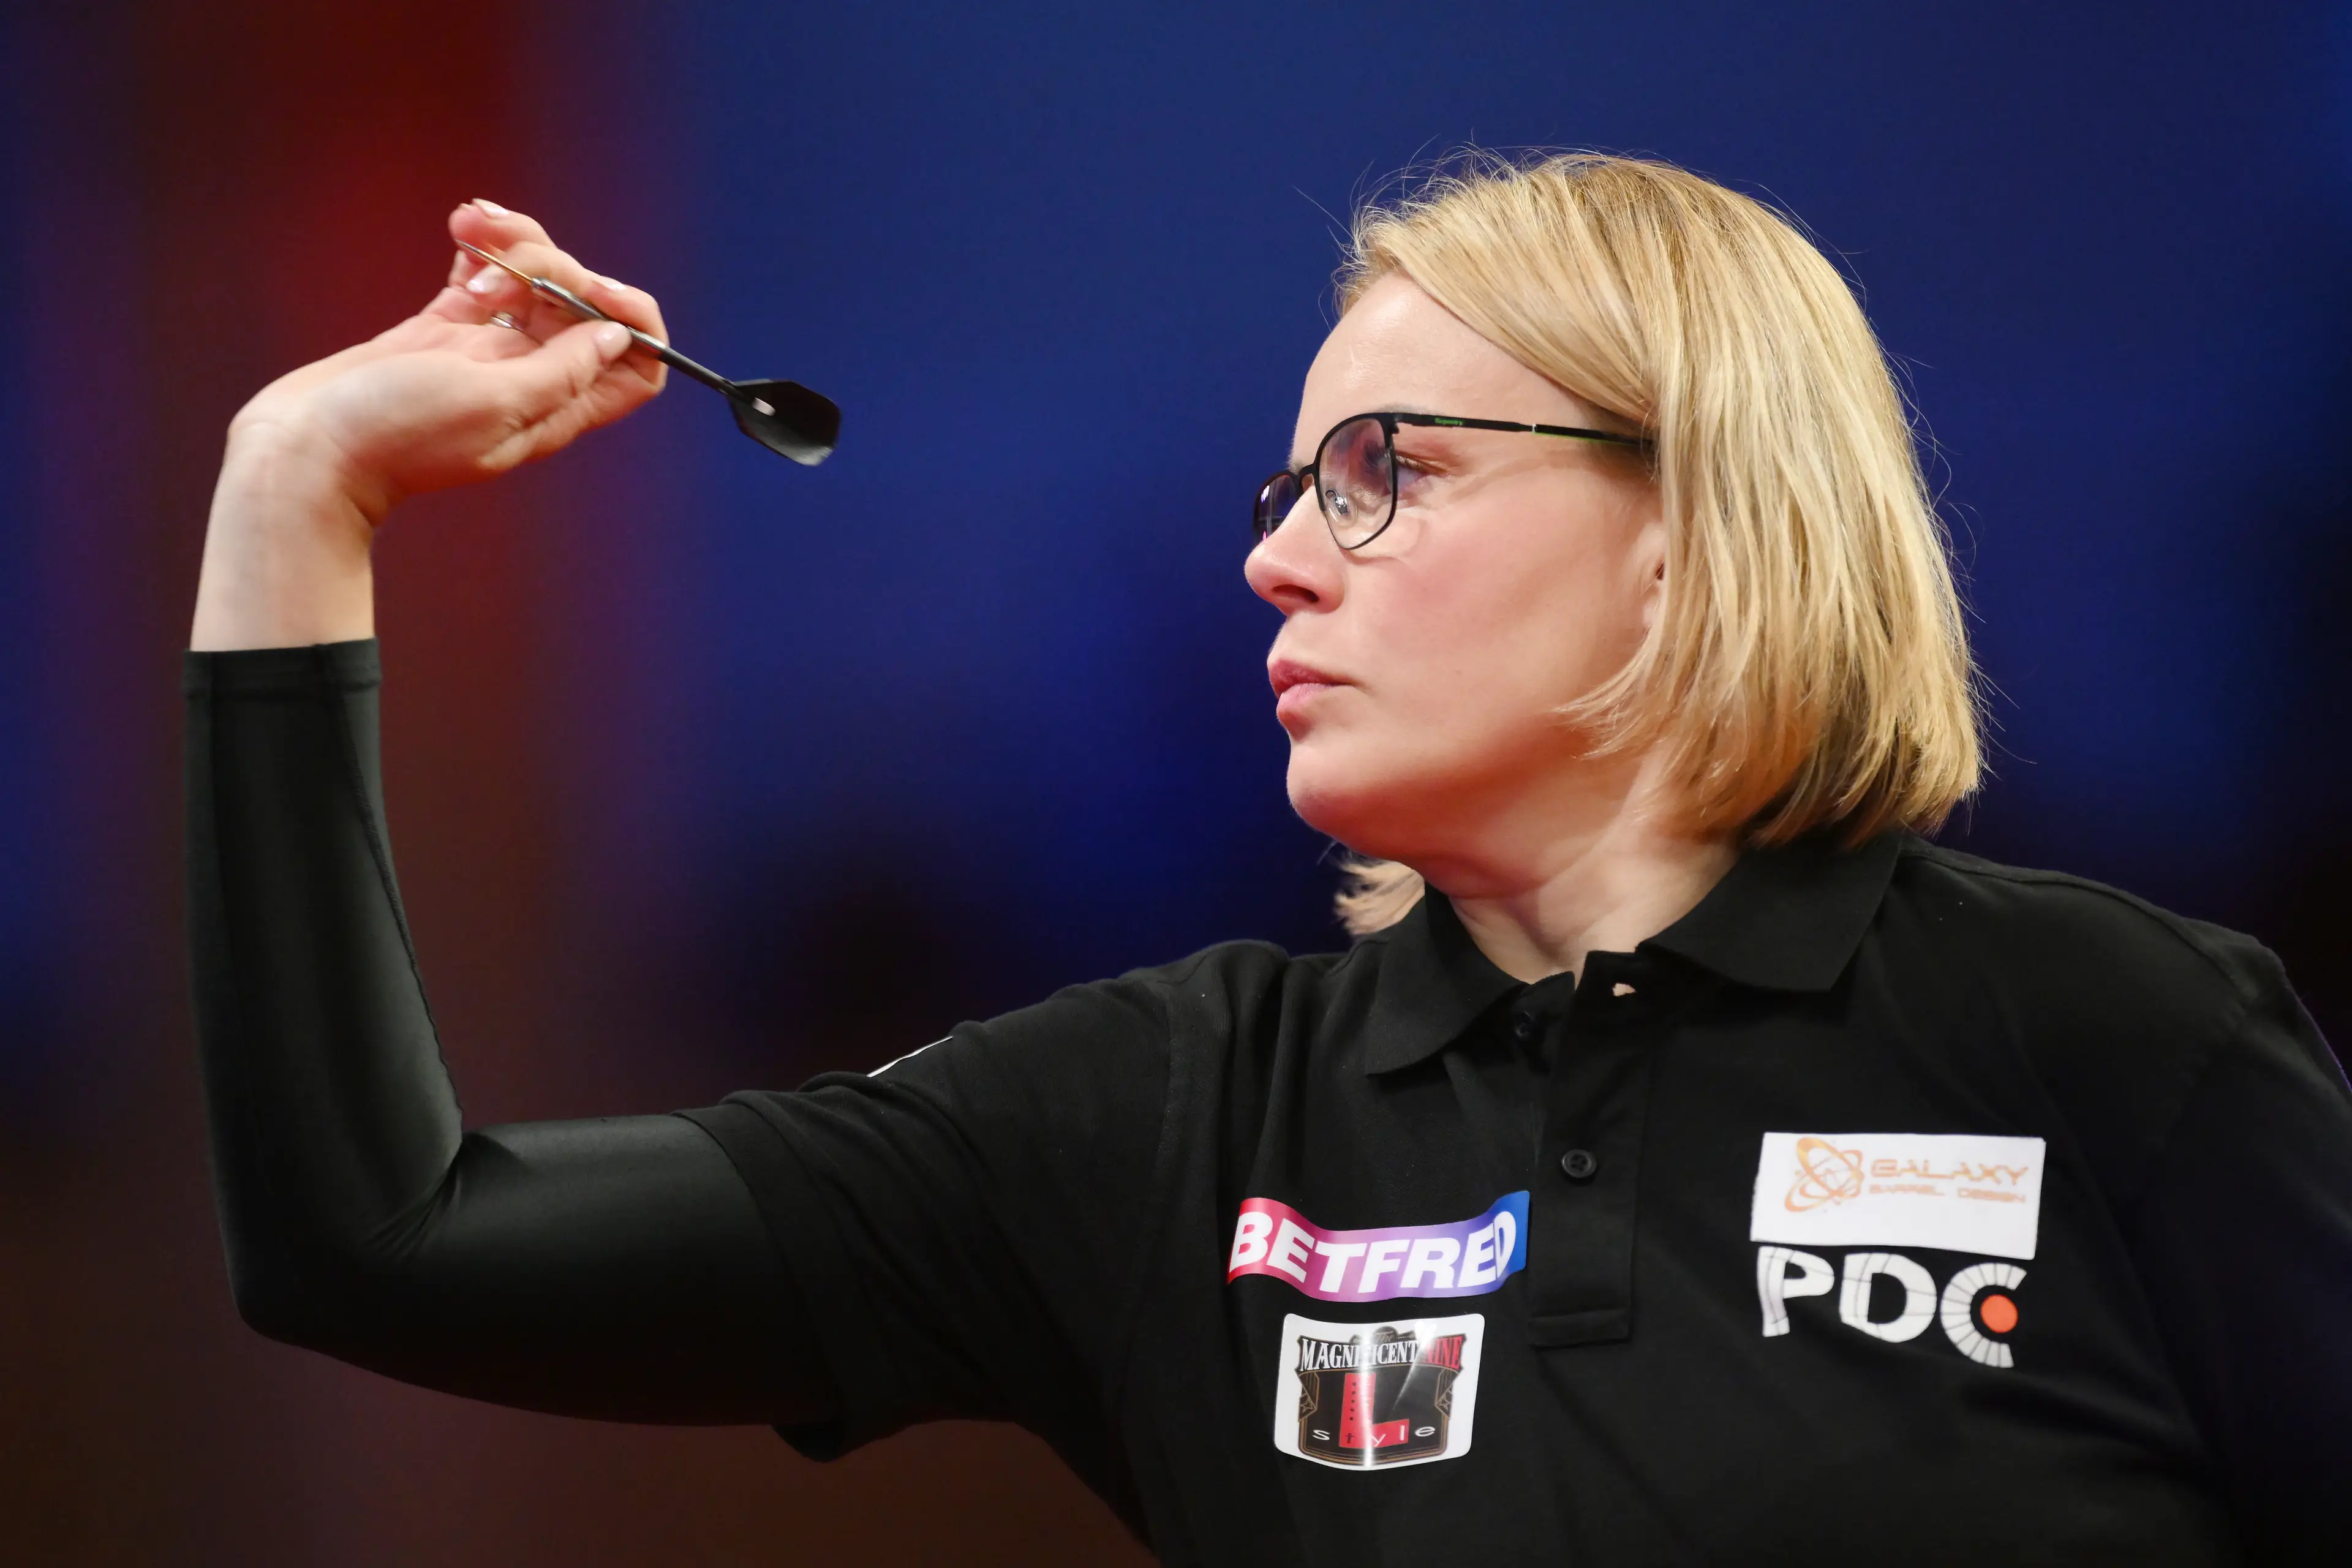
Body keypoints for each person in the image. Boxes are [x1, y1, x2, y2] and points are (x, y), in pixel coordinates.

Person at [186, 157, 2351, 1564]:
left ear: (1694, 522)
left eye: (1387, 472)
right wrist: (294, 495)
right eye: (1293, 487)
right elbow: (378, 1240)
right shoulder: (1176, 1118)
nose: (1279, 559)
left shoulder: (2113, 1037)